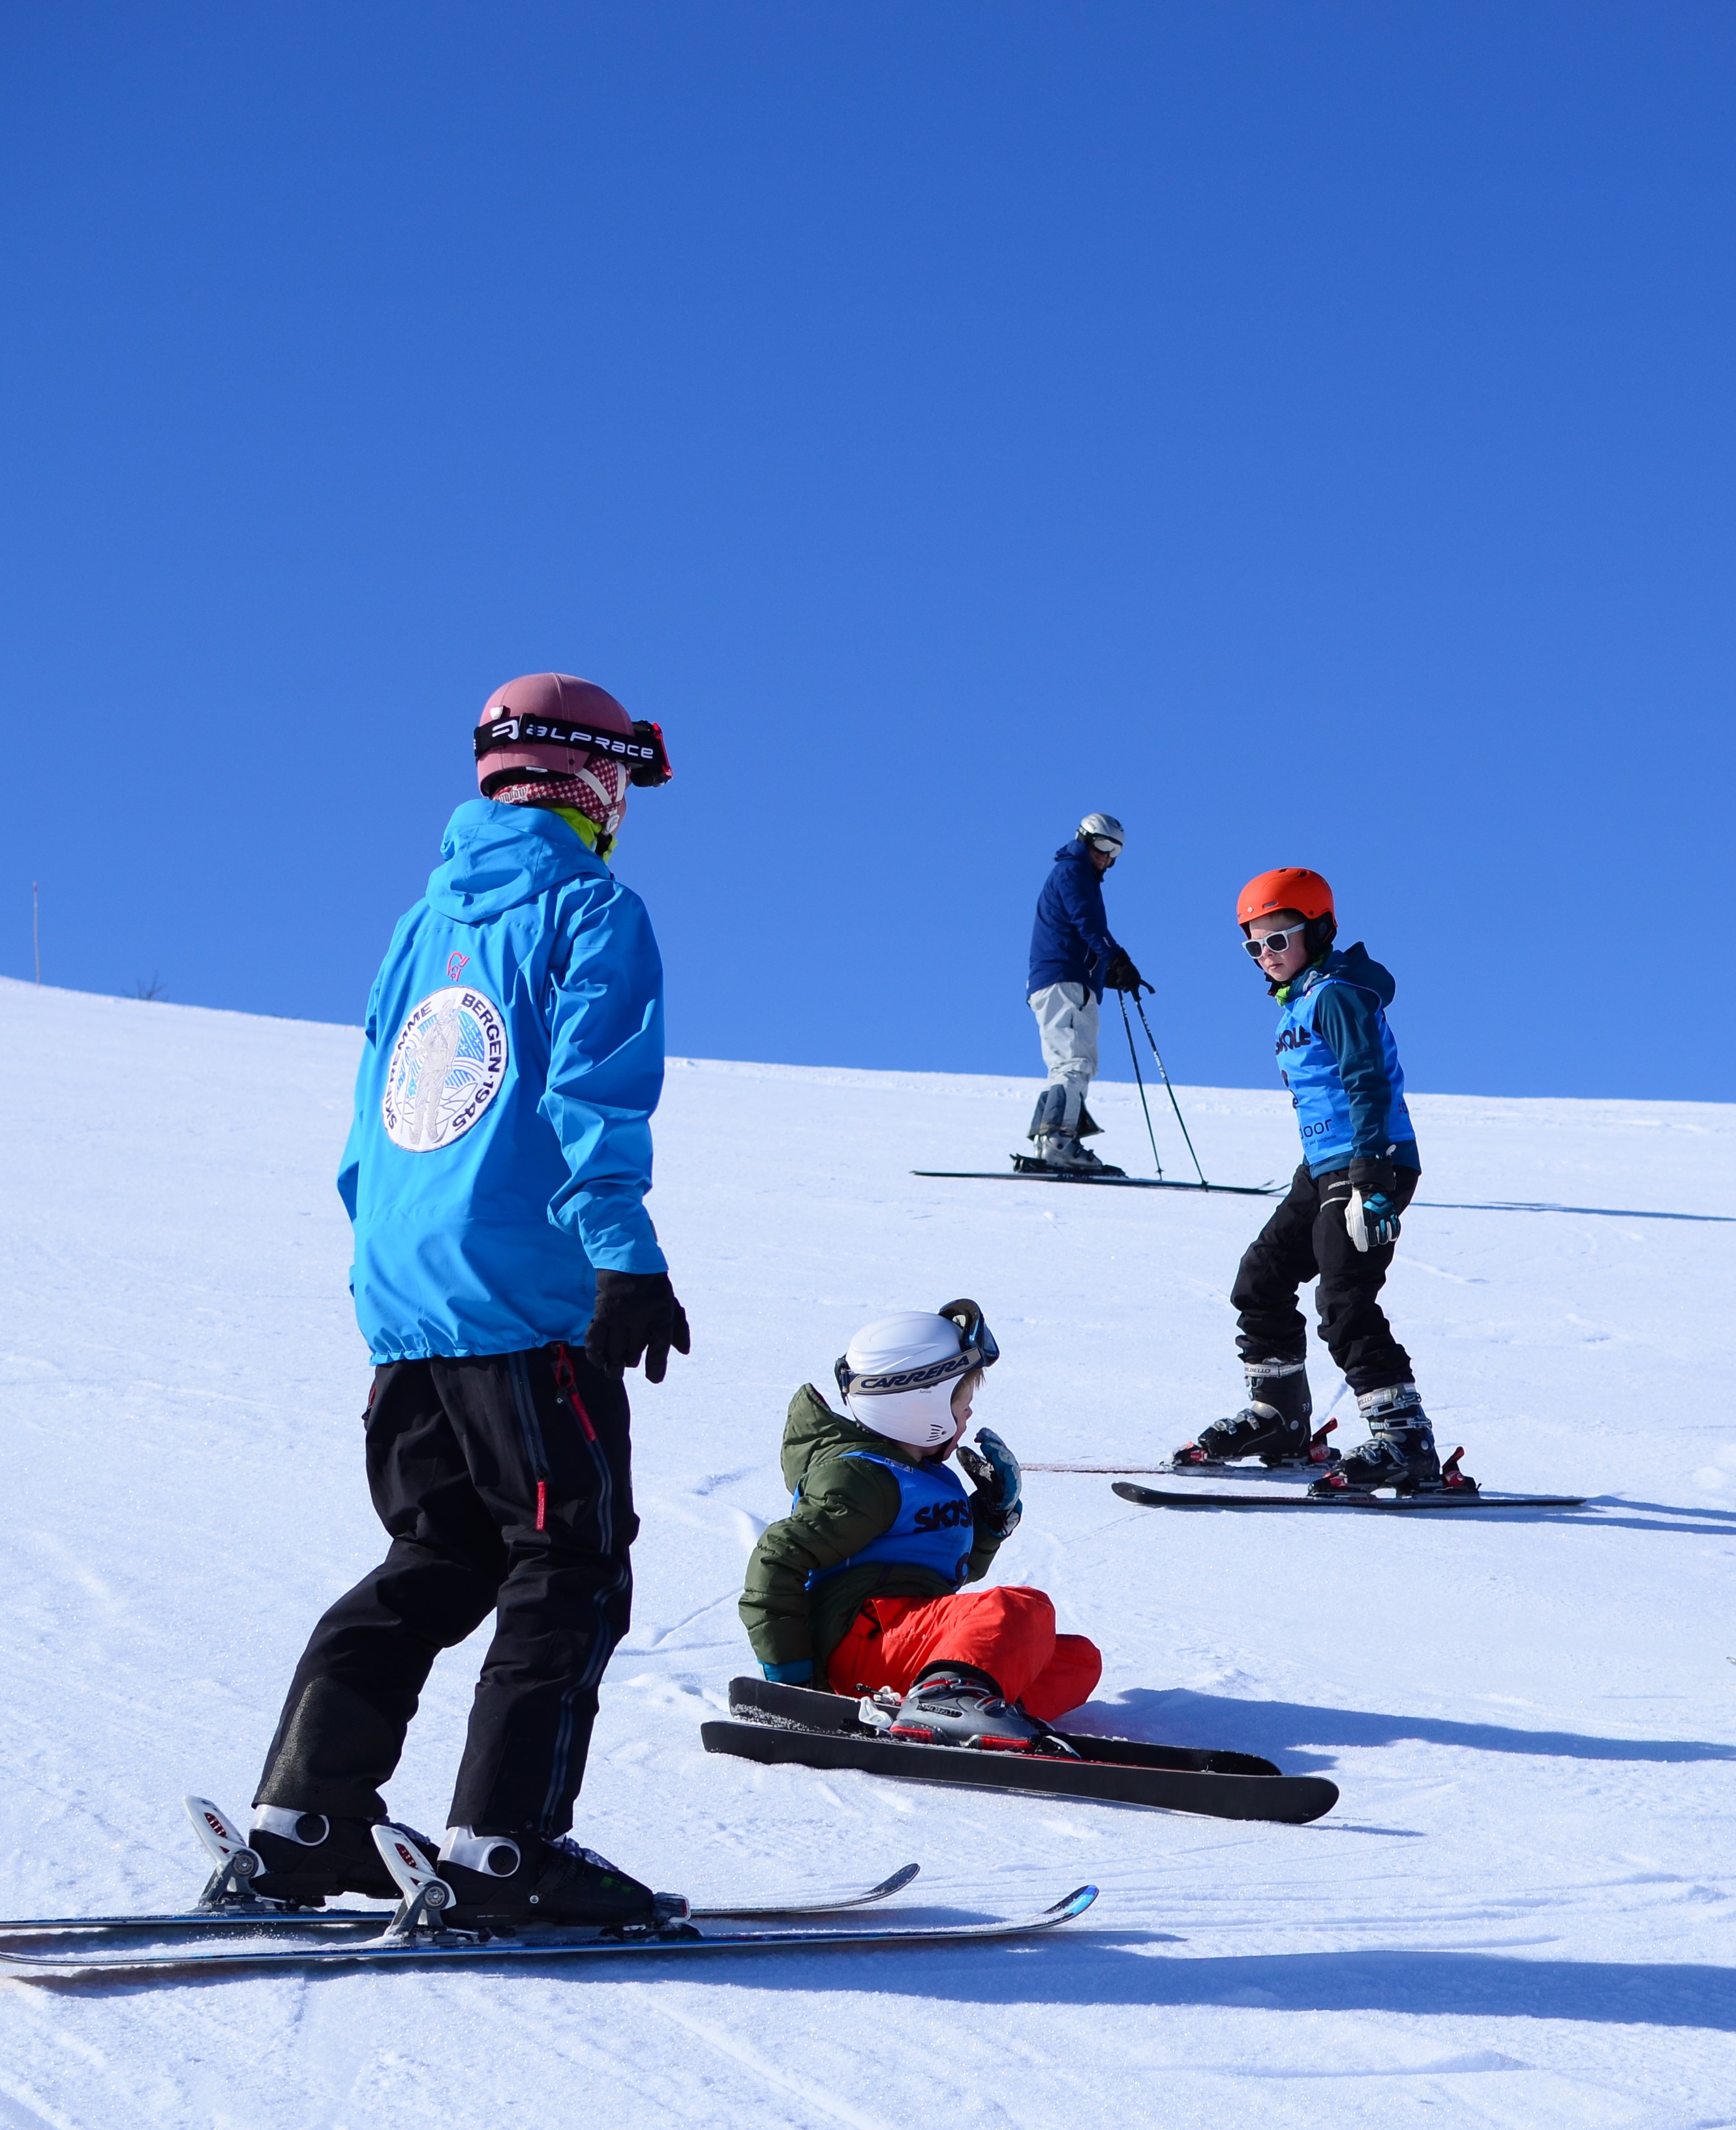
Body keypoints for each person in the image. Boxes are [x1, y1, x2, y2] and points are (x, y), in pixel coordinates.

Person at [245, 673, 692, 1927]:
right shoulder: (591, 905)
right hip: (524, 1299)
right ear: (597, 780)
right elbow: (596, 1099)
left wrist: (390, 1274)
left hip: (404, 1297)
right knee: (572, 1560)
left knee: (438, 1553)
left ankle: (306, 1820)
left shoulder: (418, 921)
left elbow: (368, 1129)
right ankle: (506, 1847)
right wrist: (624, 1257)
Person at [1172, 868, 1467, 1497]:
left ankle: (1405, 1442)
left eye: (1279, 939)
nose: (1266, 956)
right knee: (1262, 1278)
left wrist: (1373, 1174)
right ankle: (1280, 1420)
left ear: (1321, 930)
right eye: (1254, 945)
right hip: (1323, 1168)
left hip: (1370, 1162)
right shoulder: (1300, 1000)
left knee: (1344, 1300)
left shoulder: (1335, 995)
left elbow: (1367, 1080)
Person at [739, 1302, 1101, 1747]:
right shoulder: (863, 1478)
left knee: (1076, 1660)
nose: (968, 1418)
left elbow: (942, 1571)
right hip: (862, 1636)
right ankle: (948, 1703)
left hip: (898, 1635)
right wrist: (792, 1680)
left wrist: (988, 1519)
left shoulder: (913, 1475)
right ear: (920, 1406)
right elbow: (777, 1557)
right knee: (1020, 1609)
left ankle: (961, 1702)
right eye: (963, 1405)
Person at [1021, 812, 1146, 1173]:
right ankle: (1060, 1142)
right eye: (1103, 846)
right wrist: (1117, 958)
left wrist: (1105, 972)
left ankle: (1050, 1140)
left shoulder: (1074, 875)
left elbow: (1072, 934)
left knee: (1067, 1063)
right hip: (1065, 982)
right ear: (1084, 839)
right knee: (1074, 1063)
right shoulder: (1074, 873)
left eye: (1116, 851)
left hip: (1061, 979)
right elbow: (1086, 923)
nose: (1108, 857)